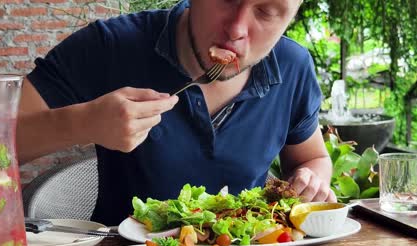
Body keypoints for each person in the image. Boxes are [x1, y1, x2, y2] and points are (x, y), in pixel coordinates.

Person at [17, 0, 335, 226]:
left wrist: (311, 181)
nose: (237, 29)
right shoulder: (110, 46)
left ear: (289, 18)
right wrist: (83, 123)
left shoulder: (293, 66)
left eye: (266, 11)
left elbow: (313, 159)